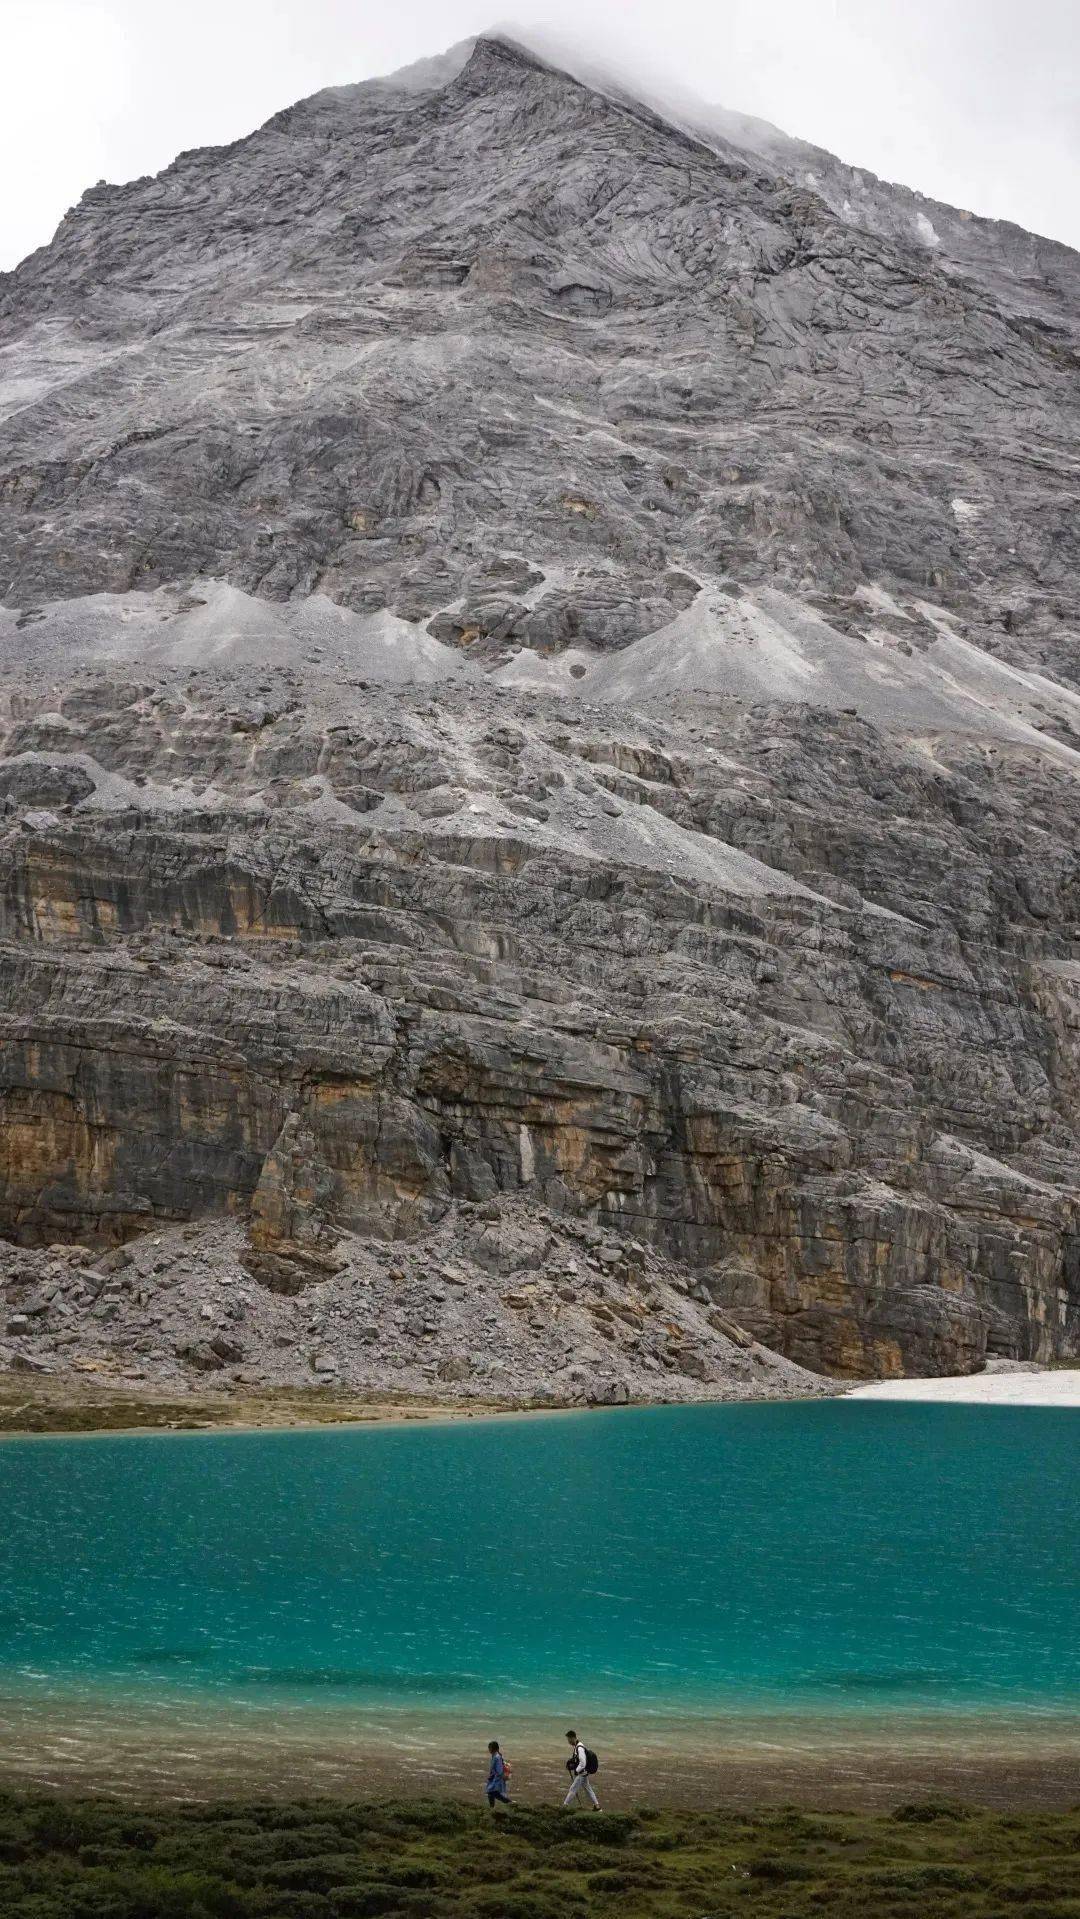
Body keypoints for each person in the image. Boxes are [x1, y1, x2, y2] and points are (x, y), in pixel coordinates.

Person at [562, 1729, 601, 1810]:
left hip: (582, 1773)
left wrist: (576, 1770)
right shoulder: (577, 1746)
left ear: (572, 1738)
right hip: (584, 1772)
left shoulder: (579, 1748)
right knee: (588, 1789)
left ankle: (564, 1806)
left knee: (573, 1789)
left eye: (568, 1739)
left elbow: (583, 1763)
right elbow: (578, 1760)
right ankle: (597, 1806)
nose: (568, 1741)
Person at [485, 1739, 511, 1811]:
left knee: (492, 1793)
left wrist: (497, 1775)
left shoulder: (497, 1757)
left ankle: (509, 1803)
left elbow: (499, 1769)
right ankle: (492, 1808)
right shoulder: (495, 1756)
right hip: (494, 1778)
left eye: (489, 1748)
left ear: (493, 1748)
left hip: (497, 1779)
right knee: (492, 1793)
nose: (489, 1750)